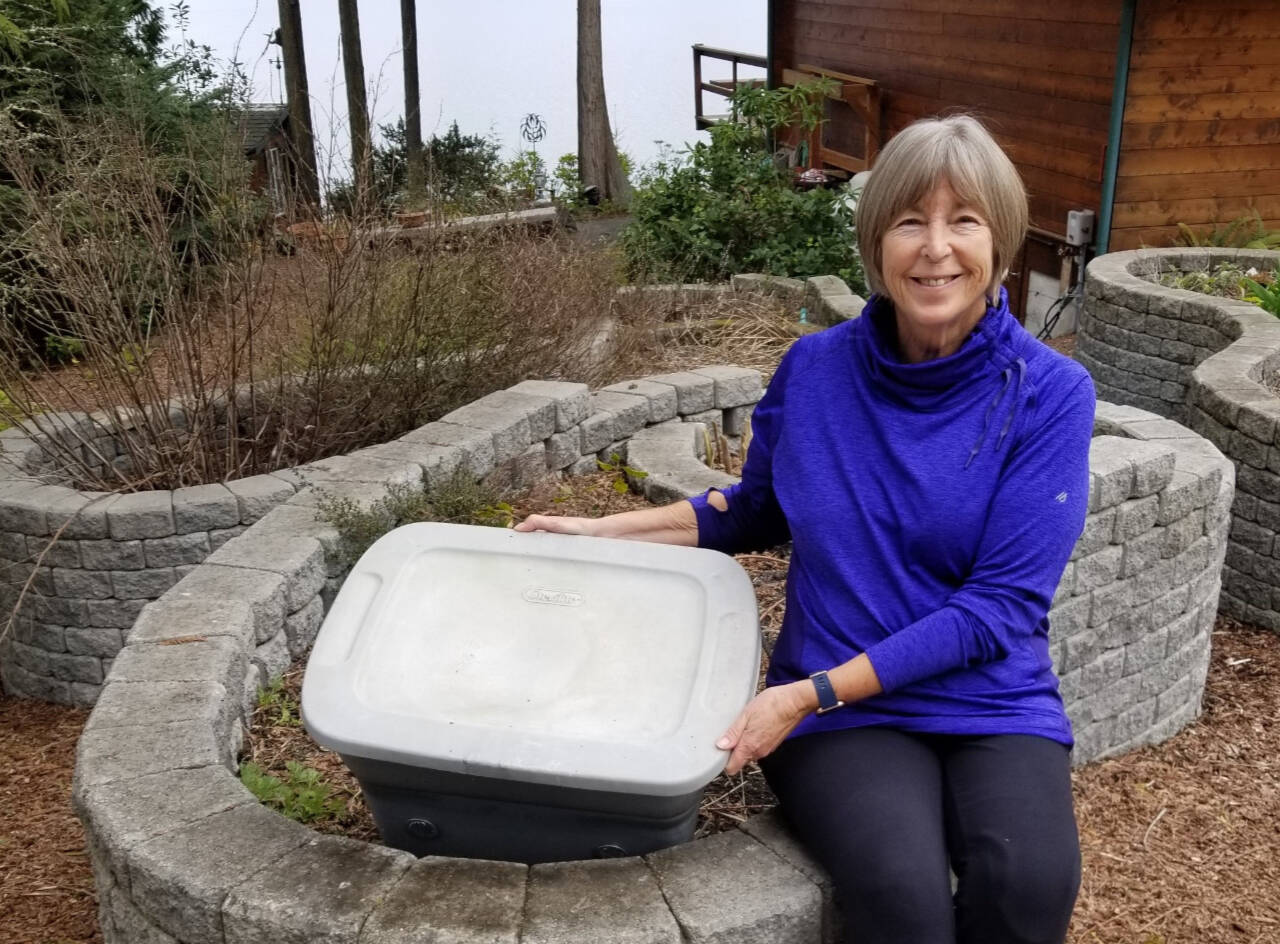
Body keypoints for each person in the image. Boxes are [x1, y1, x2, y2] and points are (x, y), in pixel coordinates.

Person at [516, 114, 1093, 944]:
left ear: (1000, 243)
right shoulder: (816, 370)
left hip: (986, 699)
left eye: (963, 220)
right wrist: (604, 532)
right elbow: (758, 507)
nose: (936, 248)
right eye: (909, 220)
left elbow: (997, 608)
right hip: (844, 716)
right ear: (875, 242)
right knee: (905, 901)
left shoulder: (1050, 393)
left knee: (1029, 883)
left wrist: (802, 694)